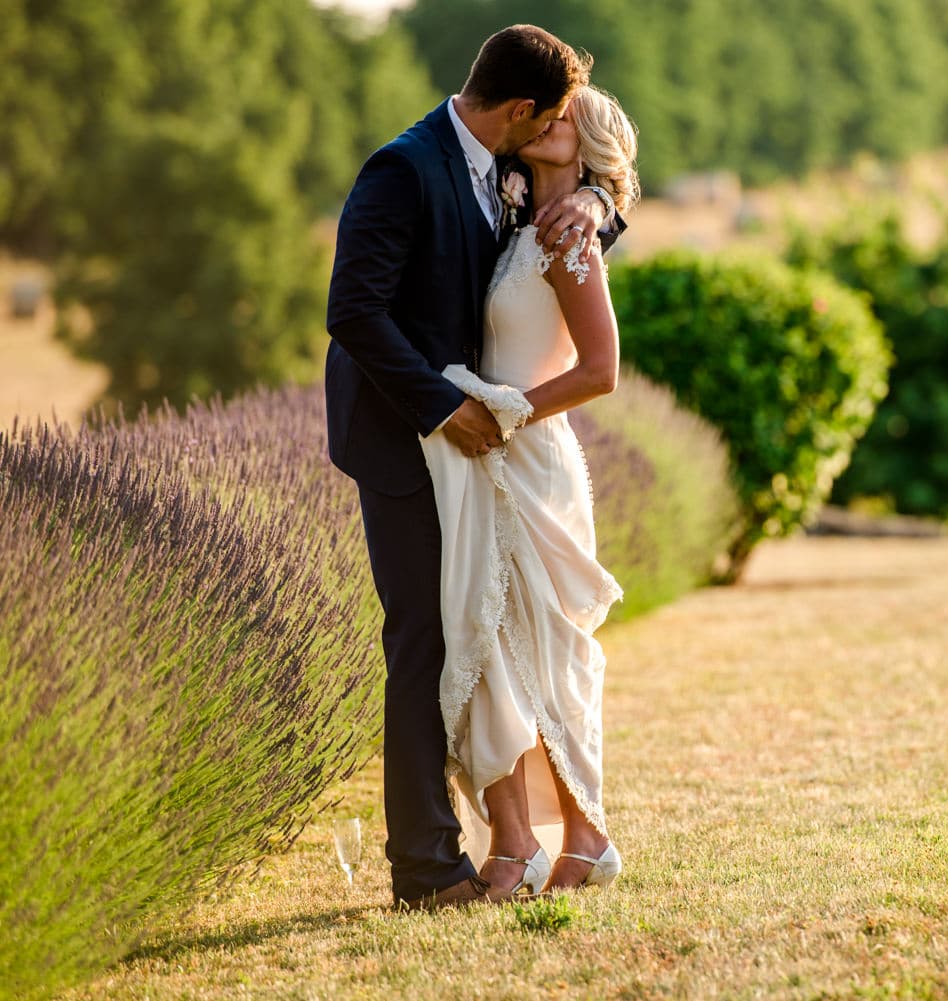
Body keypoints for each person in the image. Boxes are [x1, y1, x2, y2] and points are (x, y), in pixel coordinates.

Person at [324, 25, 624, 911]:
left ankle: (520, 842)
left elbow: (575, 240)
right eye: (553, 113)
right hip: (407, 440)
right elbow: (354, 310)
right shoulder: (404, 168)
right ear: (522, 111)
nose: (557, 126)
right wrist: (440, 406)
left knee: (481, 638)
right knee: (429, 639)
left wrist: (602, 203)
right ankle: (426, 868)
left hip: (489, 448)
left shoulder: (516, 177)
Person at [420, 84, 639, 900]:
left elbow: (600, 371)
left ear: (589, 146)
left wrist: (504, 412)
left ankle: (586, 834)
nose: (550, 117)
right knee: (483, 645)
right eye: (544, 110)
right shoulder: (515, 220)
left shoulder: (574, 237)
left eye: (568, 116)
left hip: (528, 453)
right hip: (481, 454)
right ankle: (529, 844)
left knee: (543, 653)